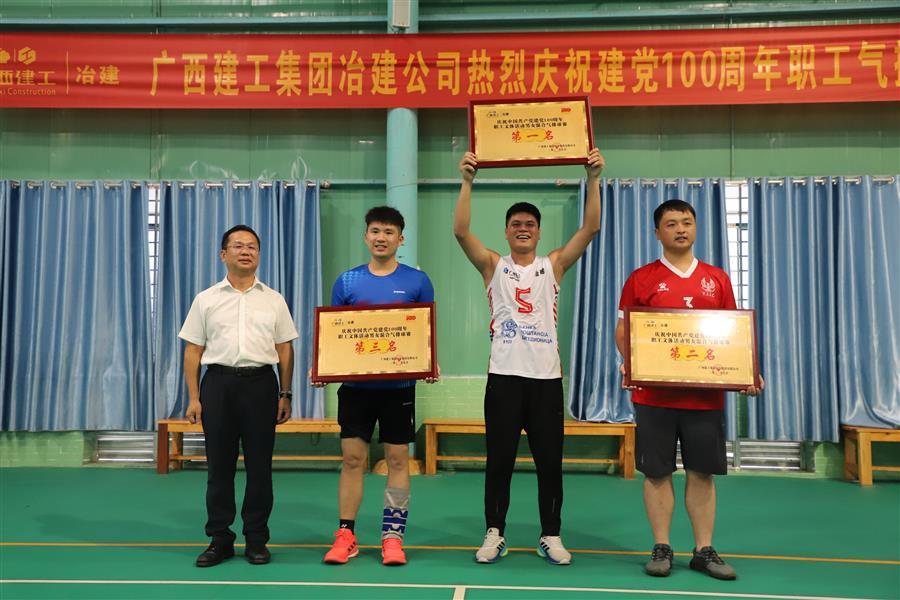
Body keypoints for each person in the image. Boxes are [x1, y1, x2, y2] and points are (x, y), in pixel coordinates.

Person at [453, 148, 605, 565]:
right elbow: (461, 232)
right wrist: (467, 181)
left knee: (550, 464)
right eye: (516, 224)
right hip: (504, 379)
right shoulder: (492, 265)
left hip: (546, 382)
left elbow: (590, 228)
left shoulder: (553, 265)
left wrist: (592, 178)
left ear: (538, 233)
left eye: (530, 225)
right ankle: (494, 532)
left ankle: (550, 534)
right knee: (499, 462)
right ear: (506, 232)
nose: (523, 229)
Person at [615, 199, 763, 580]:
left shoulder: (717, 279)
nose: (680, 229)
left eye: (686, 222)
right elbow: (624, 330)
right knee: (656, 473)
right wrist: (631, 362)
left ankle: (703, 550)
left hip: (704, 399)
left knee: (702, 473)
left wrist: (748, 372)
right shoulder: (640, 279)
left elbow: (733, 336)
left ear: (695, 228)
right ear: (657, 232)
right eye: (671, 224)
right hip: (653, 398)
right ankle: (662, 546)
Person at [318, 206, 437, 567]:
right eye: (375, 231)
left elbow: (426, 331)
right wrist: (323, 364)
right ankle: (346, 535)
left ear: (401, 239)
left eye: (388, 232)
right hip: (356, 389)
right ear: (365, 236)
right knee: (353, 459)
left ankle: (392, 537)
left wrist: (430, 361)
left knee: (398, 460)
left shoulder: (417, 281)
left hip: (398, 389)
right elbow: (334, 333)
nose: (381, 238)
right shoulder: (347, 282)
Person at [179, 225, 297, 567]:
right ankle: (220, 539)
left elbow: (285, 349)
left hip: (261, 386)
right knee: (219, 467)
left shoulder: (273, 299)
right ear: (223, 254)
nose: (246, 251)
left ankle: (257, 539)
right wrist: (193, 397)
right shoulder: (206, 299)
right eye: (238, 246)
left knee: (260, 468)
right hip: (218, 385)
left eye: (252, 247)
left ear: (258, 255)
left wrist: (285, 393)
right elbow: (193, 350)